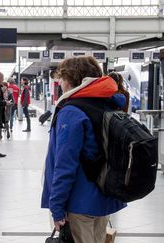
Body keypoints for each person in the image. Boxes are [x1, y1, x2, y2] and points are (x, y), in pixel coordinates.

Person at [41, 56, 126, 243]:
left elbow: (65, 164)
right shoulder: (107, 104)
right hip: (102, 198)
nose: (60, 84)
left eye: (62, 79)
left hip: (79, 203)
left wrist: (56, 205)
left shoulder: (71, 112)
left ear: (71, 79)